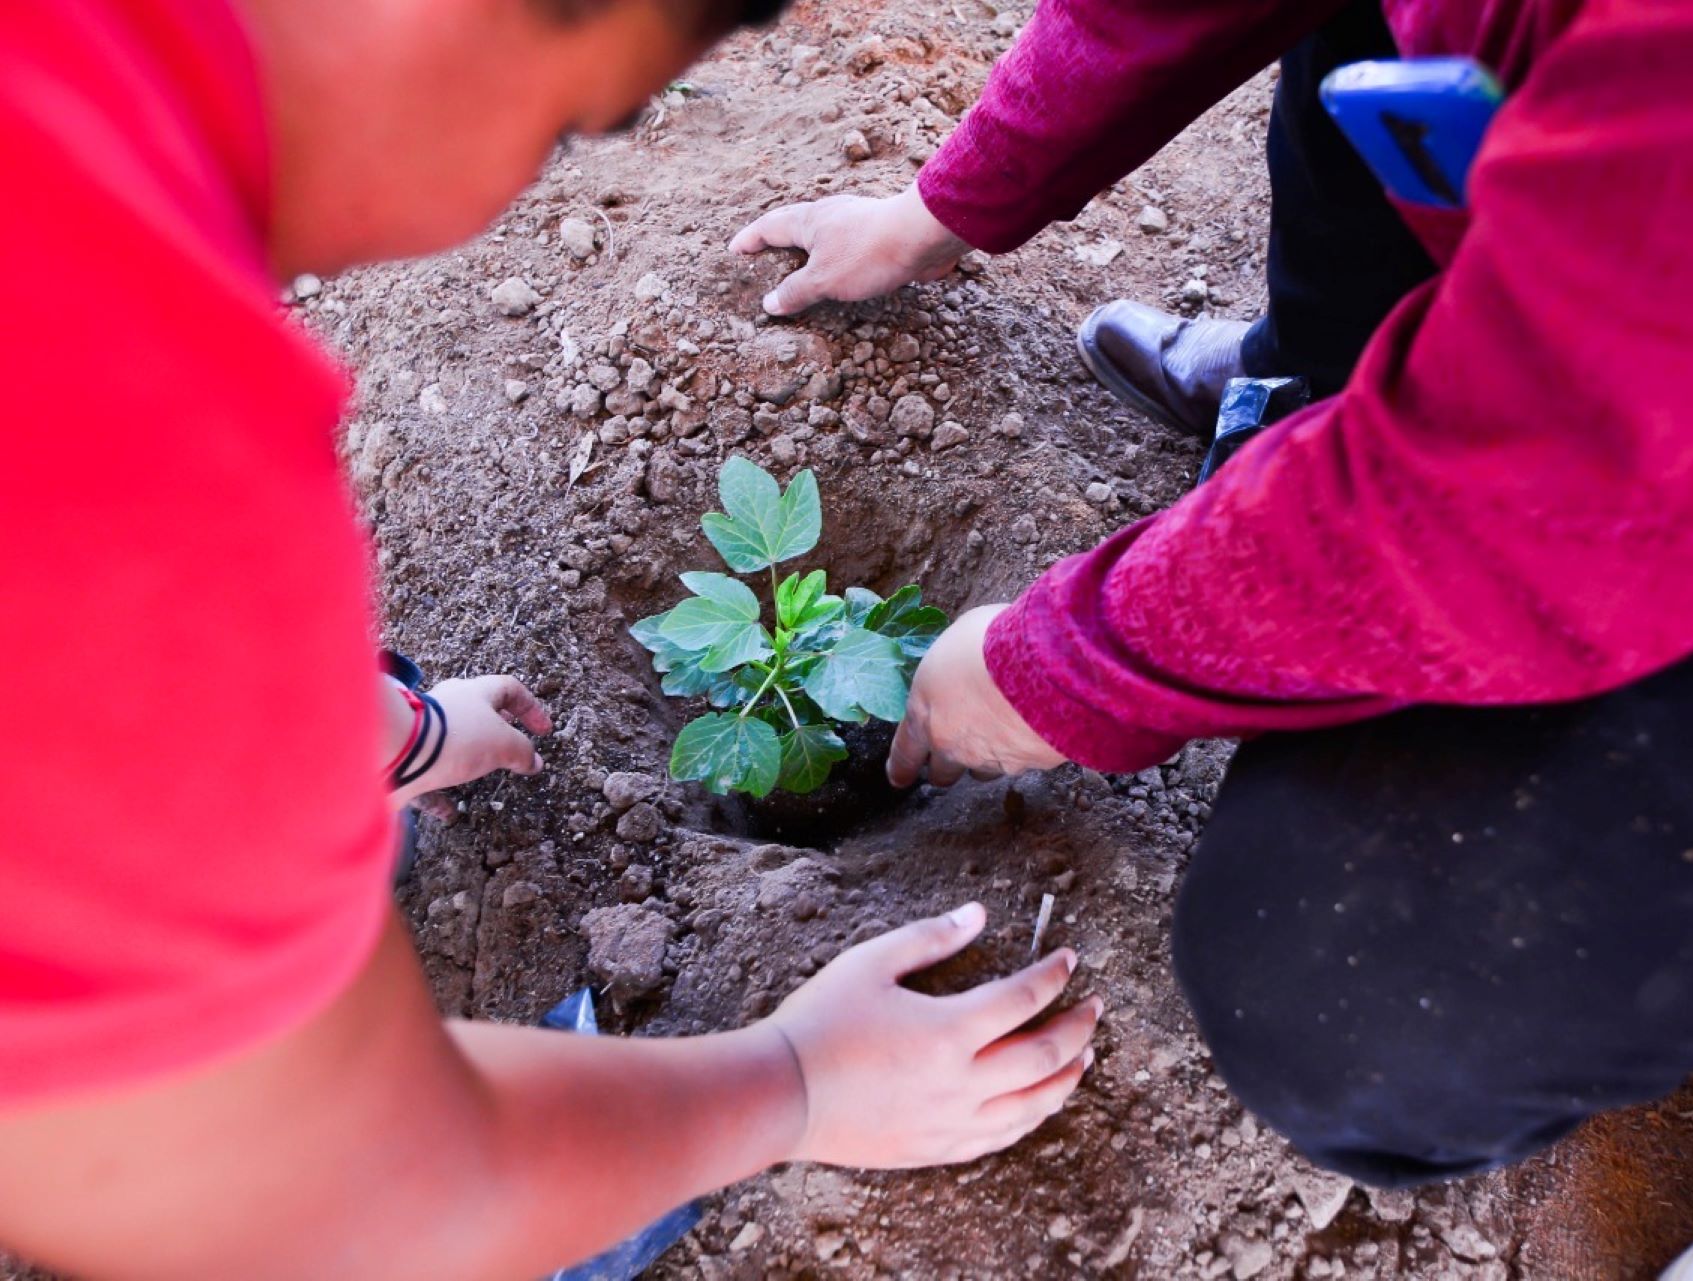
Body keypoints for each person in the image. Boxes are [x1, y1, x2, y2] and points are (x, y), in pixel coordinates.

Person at [734, 0, 1693, 1188]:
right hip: (1628, 296)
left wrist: (1060, 665)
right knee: (1382, 37)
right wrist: (951, 202)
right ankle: (1325, 396)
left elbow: (1532, 483)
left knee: (1344, 997)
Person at [0, 1, 1100, 1277]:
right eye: (582, 119)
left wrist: (399, 736)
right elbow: (347, 1205)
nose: (517, 182)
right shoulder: (118, 458)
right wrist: (795, 1083)